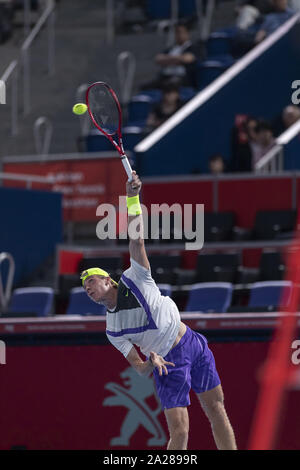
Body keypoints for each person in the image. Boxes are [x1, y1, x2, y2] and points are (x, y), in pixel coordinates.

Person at [80, 171, 237, 450]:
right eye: (84, 287)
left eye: (91, 281)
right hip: (168, 362)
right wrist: (151, 361)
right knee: (180, 433)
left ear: (107, 279)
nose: (88, 288)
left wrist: (132, 197)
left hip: (192, 342)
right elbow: (140, 369)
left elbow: (136, 238)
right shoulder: (112, 328)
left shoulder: (135, 277)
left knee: (217, 409)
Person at [141, 22, 199, 90]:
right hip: (165, 77)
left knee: (170, 84)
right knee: (145, 87)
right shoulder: (171, 49)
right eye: (176, 33)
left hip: (182, 78)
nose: (179, 35)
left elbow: (187, 59)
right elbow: (158, 59)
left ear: (187, 34)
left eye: (181, 32)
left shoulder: (193, 47)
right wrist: (178, 60)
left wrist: (168, 60)